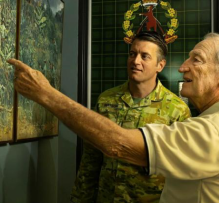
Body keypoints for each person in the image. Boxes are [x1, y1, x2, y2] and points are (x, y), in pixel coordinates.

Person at [8, 33, 219, 202]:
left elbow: (117, 143)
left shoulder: (215, 129)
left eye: (197, 60)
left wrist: (45, 94)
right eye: (133, 54)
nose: (184, 67)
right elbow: (92, 160)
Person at [71, 31, 190, 203]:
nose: (136, 61)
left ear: (160, 65)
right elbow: (91, 159)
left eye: (145, 56)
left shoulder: (177, 110)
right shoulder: (106, 100)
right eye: (132, 54)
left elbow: (181, 171)